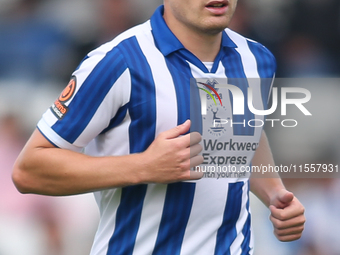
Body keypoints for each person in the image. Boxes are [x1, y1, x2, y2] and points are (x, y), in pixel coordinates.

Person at [12, 1, 305, 254]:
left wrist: (274, 193)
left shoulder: (255, 58)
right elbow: (29, 170)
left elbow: (240, 134)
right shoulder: (119, 61)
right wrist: (144, 166)